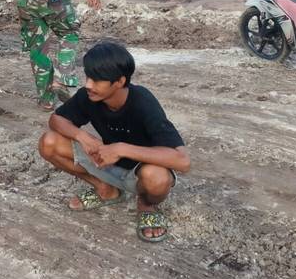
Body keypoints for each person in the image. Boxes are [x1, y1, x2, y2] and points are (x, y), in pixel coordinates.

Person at [38, 42, 190, 242]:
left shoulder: (143, 101)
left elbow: (183, 161)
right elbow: (56, 120)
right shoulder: (89, 96)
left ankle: (146, 205)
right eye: (88, 76)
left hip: (140, 174)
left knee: (158, 177)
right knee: (48, 142)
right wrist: (82, 136)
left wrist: (121, 149)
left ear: (119, 81)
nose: (89, 85)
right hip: (106, 163)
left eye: (98, 80)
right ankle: (106, 190)